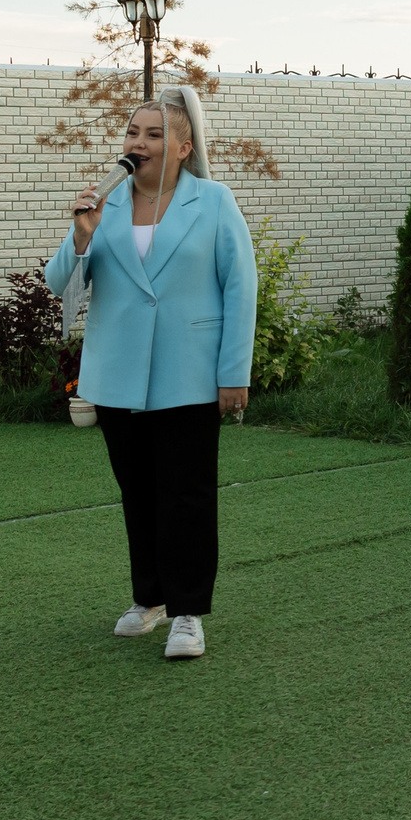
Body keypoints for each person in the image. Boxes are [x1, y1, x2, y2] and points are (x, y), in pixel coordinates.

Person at [45, 85, 256, 662]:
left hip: (190, 374)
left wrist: (233, 372)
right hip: (116, 376)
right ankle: (150, 599)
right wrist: (80, 237)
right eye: (133, 132)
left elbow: (241, 288)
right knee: (137, 492)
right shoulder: (104, 205)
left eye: (154, 134)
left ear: (184, 147)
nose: (139, 143)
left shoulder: (213, 202)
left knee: (185, 494)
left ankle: (188, 612)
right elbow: (57, 282)